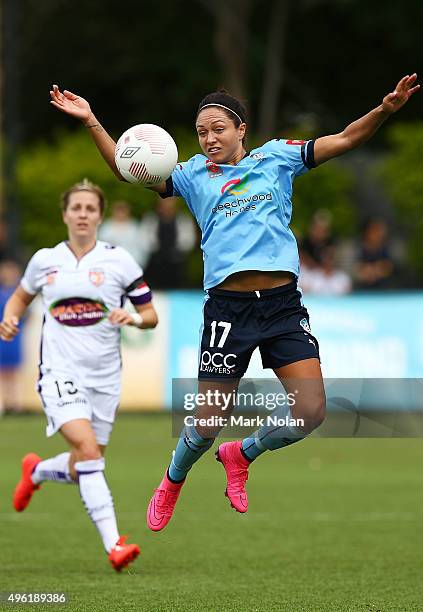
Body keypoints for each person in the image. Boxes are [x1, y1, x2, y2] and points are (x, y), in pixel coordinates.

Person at [49, 73, 419, 531]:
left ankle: (243, 453)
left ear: (241, 129)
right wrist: (91, 122)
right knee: (206, 423)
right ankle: (172, 480)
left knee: (311, 412)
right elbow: (128, 168)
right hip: (228, 310)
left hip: (282, 306)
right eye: (202, 132)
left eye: (218, 129)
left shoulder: (278, 157)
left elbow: (343, 139)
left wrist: (385, 110)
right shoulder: (189, 176)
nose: (209, 138)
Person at [0, 179, 158, 569]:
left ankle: (37, 470)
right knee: (88, 453)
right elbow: (21, 296)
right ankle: (114, 545)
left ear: (100, 216)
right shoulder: (44, 260)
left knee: (85, 464)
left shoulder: (119, 261)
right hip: (59, 372)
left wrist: (134, 318)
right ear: (65, 214)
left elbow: (150, 315)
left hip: (105, 377)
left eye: (91, 208)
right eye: (77, 208)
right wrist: (9, 317)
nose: (83, 214)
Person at [139, 196, 197, 288]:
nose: (167, 206)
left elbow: (188, 240)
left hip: (177, 262)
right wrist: (153, 248)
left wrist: (180, 249)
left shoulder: (183, 220)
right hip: (155, 262)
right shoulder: (150, 219)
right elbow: (143, 239)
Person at [0, 259, 25, 415]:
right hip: (1, 337)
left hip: (15, 337)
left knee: (13, 372)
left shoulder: (20, 294)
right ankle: (2, 404)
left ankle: (14, 403)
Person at [98, 199, 146, 266]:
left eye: (123, 211)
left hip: (132, 262)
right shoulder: (106, 227)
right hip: (111, 263)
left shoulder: (135, 227)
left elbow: (141, 246)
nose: (120, 214)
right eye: (118, 211)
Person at [355, 218, 395, 289]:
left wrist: (375, 270)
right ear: (368, 232)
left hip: (384, 288)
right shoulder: (359, 248)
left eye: (379, 231)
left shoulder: (385, 248)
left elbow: (389, 267)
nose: (378, 234)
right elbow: (357, 269)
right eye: (375, 231)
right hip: (363, 288)